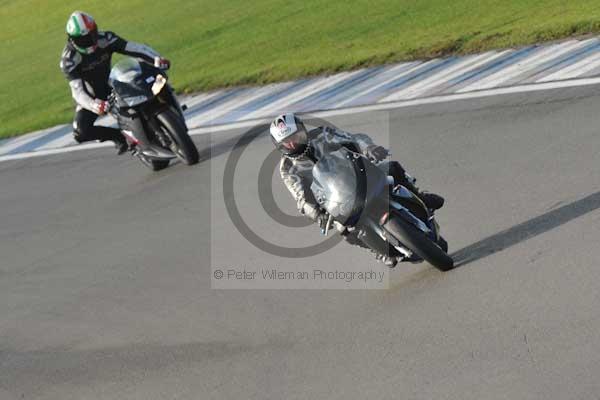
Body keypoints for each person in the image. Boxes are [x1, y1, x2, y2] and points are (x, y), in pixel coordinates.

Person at [270, 113, 444, 267]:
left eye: (297, 136)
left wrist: (370, 148)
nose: (293, 143)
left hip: (358, 173)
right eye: (287, 142)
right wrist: (315, 212)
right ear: (279, 146)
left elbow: (353, 137)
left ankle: (420, 196)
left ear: (303, 130)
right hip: (335, 197)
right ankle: (377, 250)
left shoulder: (322, 134)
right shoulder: (287, 168)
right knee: (343, 229)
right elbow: (300, 196)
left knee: (391, 168)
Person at [59, 11, 171, 153]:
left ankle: (171, 108)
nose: (89, 41)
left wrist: (157, 58)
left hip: (113, 84)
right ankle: (119, 137)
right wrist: (94, 105)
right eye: (83, 39)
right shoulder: (69, 59)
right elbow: (77, 91)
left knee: (155, 81)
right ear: (72, 39)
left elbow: (134, 48)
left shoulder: (105, 38)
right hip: (93, 96)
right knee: (80, 132)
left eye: (91, 35)